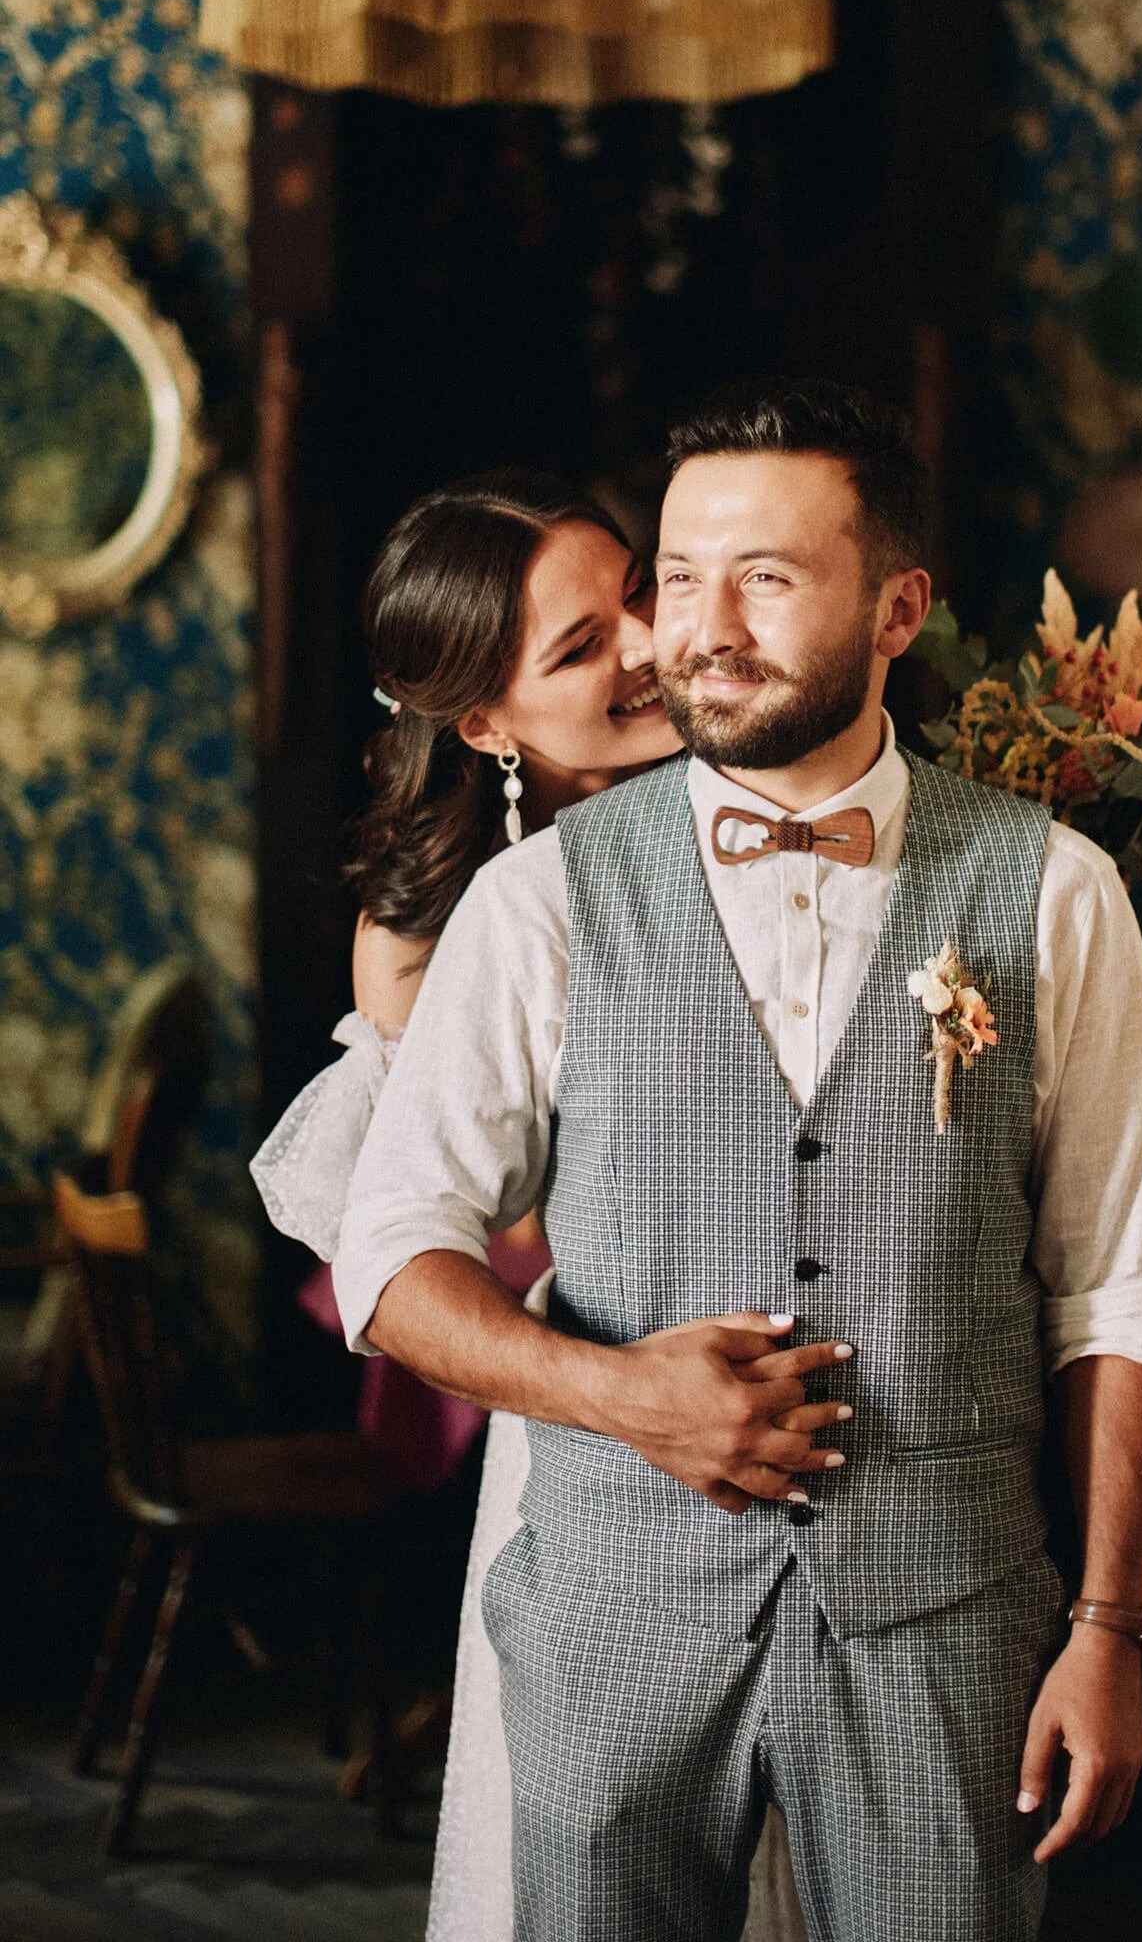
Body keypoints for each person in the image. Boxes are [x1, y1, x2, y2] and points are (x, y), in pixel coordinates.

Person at [335, 379, 1142, 1942]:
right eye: (675, 577)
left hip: (950, 1627)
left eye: (767, 578)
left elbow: (1124, 1289)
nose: (695, 632)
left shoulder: (1056, 893)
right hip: (610, 1624)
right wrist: (619, 1395)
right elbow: (388, 1258)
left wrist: (1110, 1629)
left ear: (898, 609)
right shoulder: (536, 907)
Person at [251, 467, 806, 1939]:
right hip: (606, 1412)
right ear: (483, 724)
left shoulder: (784, 798)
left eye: (639, 593)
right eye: (579, 647)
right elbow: (428, 1248)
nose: (643, 645)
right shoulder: (442, 935)